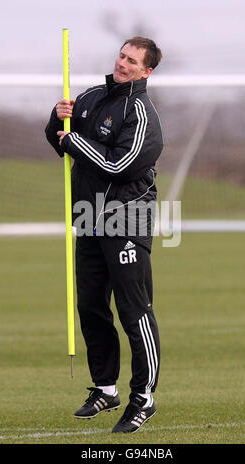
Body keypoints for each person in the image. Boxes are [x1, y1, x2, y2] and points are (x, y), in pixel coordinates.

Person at [45, 36, 163, 434]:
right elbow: (62, 141)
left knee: (135, 312)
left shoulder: (142, 113)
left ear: (146, 71)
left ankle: (143, 398)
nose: (123, 63)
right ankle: (105, 388)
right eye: (122, 55)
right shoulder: (93, 96)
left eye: (133, 61)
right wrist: (56, 119)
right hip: (89, 218)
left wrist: (74, 141)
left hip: (128, 219)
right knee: (92, 306)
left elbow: (120, 165)